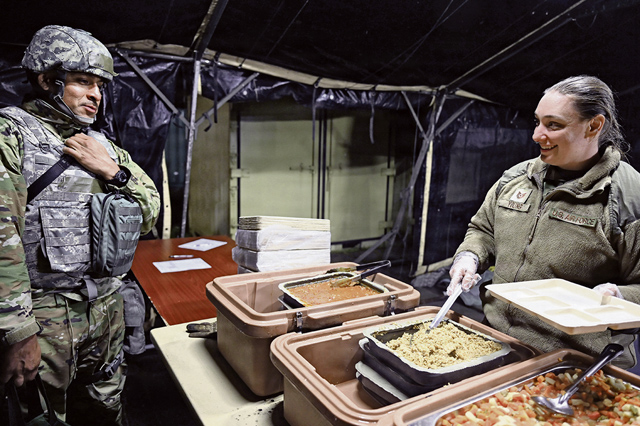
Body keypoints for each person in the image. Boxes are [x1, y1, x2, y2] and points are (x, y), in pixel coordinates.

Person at [0, 25, 160, 425]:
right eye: (83, 82)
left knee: (106, 409)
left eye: (100, 86)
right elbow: (3, 236)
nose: (96, 95)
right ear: (47, 80)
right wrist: (17, 332)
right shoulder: (11, 134)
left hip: (105, 309)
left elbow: (149, 214)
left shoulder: (102, 145)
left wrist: (112, 171)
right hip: (44, 317)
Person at [446, 75, 640, 368]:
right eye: (537, 122)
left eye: (554, 125)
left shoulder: (626, 197)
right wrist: (470, 257)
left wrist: (617, 296)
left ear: (594, 126)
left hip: (570, 363)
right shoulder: (516, 178)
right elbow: (483, 230)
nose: (537, 135)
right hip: (495, 343)